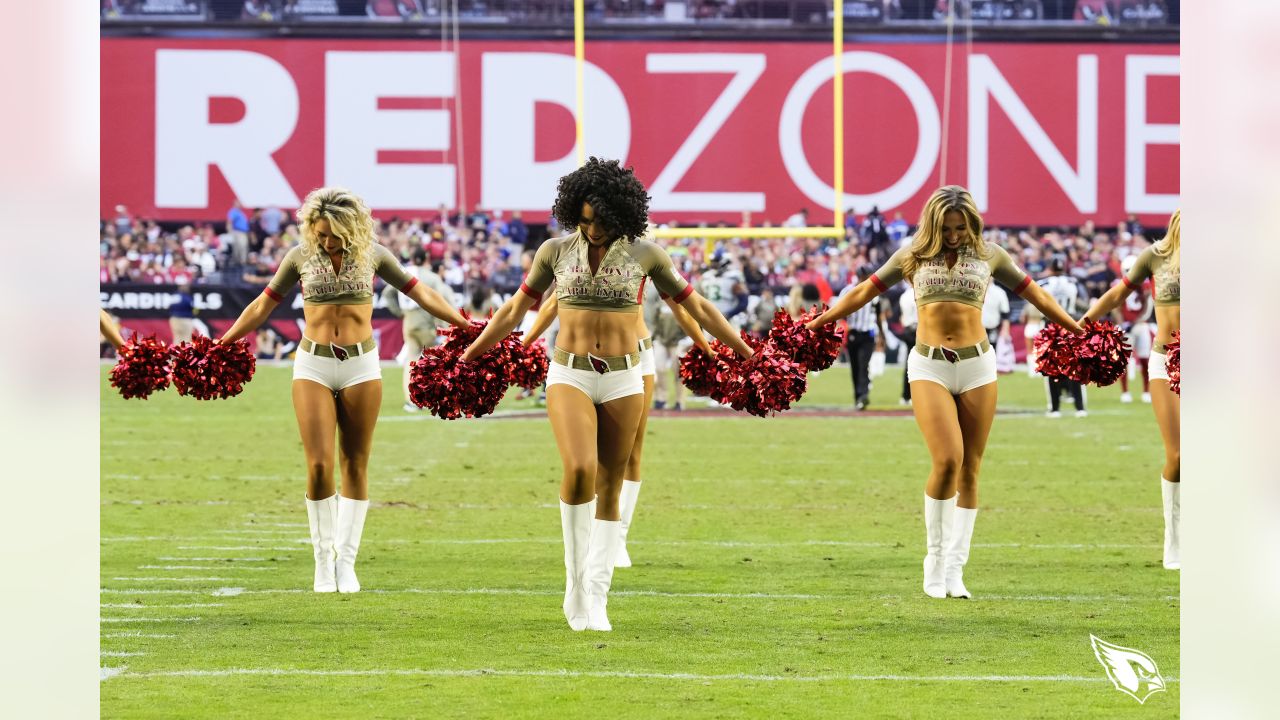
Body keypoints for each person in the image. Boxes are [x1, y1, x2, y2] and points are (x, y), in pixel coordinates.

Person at [460, 158, 752, 631]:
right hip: (569, 372)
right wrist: (469, 356)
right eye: (583, 219)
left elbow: (694, 305)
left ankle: (597, 595)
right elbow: (516, 308)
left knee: (610, 484)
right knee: (578, 469)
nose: (591, 229)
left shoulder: (646, 254)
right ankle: (574, 585)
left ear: (622, 213)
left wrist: (742, 350)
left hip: (624, 376)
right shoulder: (554, 250)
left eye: (600, 220)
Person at [806, 186, 1082, 599]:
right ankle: (933, 561)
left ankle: (955, 569)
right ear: (933, 224)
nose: (954, 235)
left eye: (961, 227)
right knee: (948, 459)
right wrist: (817, 324)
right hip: (929, 364)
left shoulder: (992, 255)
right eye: (947, 227)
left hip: (978, 365)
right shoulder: (911, 255)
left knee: (971, 467)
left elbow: (1035, 293)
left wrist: (1077, 328)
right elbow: (865, 290)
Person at [216, 187, 468, 594]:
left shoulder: (375, 256)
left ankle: (345, 560)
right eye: (320, 233)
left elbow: (419, 291)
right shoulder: (299, 256)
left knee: (355, 463)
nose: (327, 241)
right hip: (312, 362)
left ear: (351, 228)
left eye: (334, 234)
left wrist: (463, 324)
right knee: (318, 465)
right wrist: (223, 342)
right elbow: (263, 305)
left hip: (361, 365)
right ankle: (321, 561)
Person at [521, 279, 711, 569]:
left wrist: (706, 348)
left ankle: (618, 537)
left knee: (631, 452)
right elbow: (553, 302)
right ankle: (592, 537)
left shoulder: (643, 256)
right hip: (585, 362)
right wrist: (521, 346)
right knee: (588, 458)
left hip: (637, 356)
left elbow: (681, 306)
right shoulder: (583, 253)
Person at [1081, 210, 1180, 569]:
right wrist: (1083, 323)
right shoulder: (1155, 256)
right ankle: (1175, 540)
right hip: (1166, 358)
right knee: (1179, 457)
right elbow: (1118, 293)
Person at [381, 250, 454, 412]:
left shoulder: (403, 273)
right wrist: (444, 325)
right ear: (426, 259)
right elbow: (441, 300)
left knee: (411, 360)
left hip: (409, 321)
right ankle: (436, 396)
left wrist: (399, 312)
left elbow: (387, 293)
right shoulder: (431, 277)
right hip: (425, 321)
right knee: (435, 359)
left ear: (413, 259)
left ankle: (411, 400)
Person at [1040, 258, 1088, 418]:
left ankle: (1055, 408)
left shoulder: (1044, 283)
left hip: (1051, 327)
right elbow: (1083, 301)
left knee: (1051, 368)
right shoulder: (1072, 281)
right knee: (1074, 368)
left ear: (1051, 269)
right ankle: (1080, 407)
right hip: (1069, 325)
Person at [840, 264, 883, 411]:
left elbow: (877, 315)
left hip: (868, 334)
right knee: (855, 367)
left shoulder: (875, 292)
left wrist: (882, 334)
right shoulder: (847, 291)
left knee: (863, 364)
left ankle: (863, 395)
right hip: (853, 333)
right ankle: (858, 396)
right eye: (867, 276)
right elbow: (839, 311)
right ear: (860, 277)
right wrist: (844, 326)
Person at [1115, 253, 1154, 403]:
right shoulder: (1119, 285)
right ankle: (1125, 392)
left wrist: (1134, 322)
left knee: (1145, 360)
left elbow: (1146, 307)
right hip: (1126, 326)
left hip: (1140, 326)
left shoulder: (1145, 286)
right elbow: (1116, 307)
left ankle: (1146, 391)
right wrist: (1122, 324)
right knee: (1123, 361)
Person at [896, 285, 917, 404]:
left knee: (909, 364)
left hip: (908, 329)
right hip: (918, 329)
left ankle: (906, 395)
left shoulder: (904, 296)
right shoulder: (919, 293)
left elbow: (902, 316)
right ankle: (911, 395)